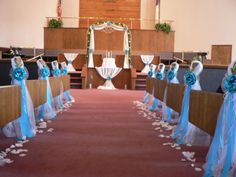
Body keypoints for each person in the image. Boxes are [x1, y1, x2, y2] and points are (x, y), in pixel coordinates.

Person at [203, 61, 236, 177]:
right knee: (231, 132)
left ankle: (225, 157)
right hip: (231, 106)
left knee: (226, 131)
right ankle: (230, 159)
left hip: (227, 106)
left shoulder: (228, 80)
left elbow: (223, 88)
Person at [172, 60, 211, 146]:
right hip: (192, 97)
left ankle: (185, 126)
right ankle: (189, 128)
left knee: (187, 109)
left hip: (187, 97)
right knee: (192, 108)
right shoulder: (195, 79)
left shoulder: (189, 76)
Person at [2, 57, 36, 140]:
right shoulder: (13, 65)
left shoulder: (22, 67)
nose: (18, 60)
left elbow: (25, 76)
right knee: (17, 104)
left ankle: (25, 129)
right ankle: (19, 129)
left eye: (19, 59)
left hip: (23, 86)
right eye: (17, 60)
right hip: (16, 85)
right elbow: (12, 76)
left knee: (24, 105)